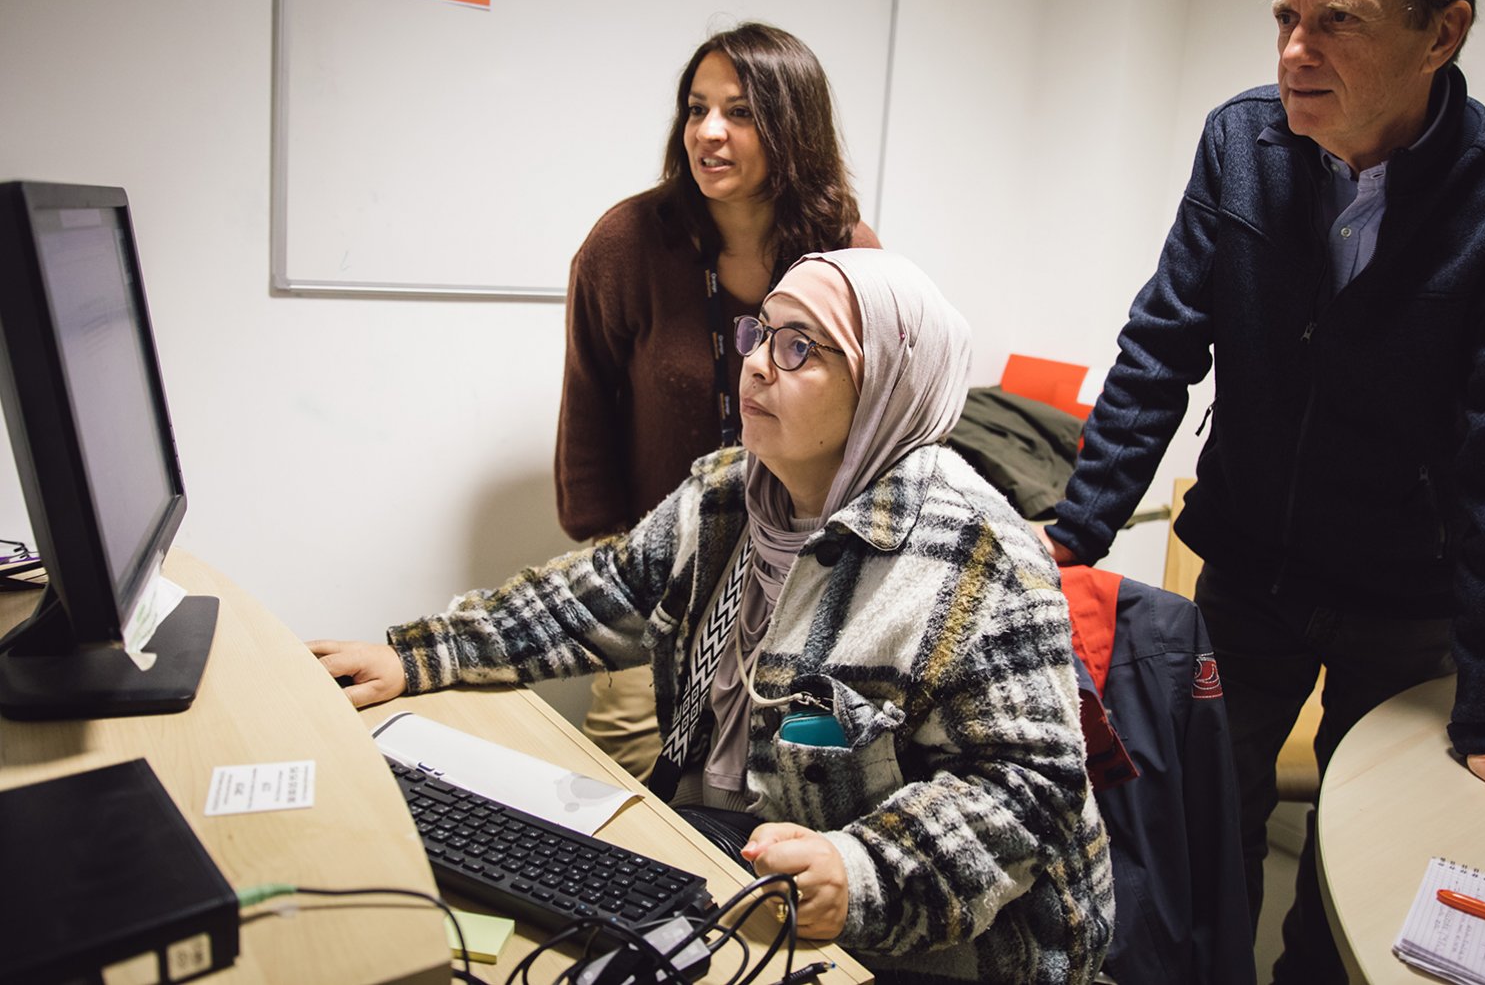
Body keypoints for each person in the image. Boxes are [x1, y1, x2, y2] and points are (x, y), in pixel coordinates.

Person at [313, 249, 1114, 984]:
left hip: (939, 946)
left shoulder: (978, 557)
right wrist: (420, 656)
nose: (757, 365)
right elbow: (601, 592)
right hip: (739, 862)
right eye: (760, 333)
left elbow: (1026, 788)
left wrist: (862, 871)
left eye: (799, 346)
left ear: (883, 385)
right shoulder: (730, 490)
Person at [1039, 0, 1485, 982]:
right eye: (1284, 19)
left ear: (1442, 31)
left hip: (1404, 598)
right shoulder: (1240, 141)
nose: (1297, 50)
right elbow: (1159, 348)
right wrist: (1076, 533)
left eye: (1335, 19)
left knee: (1348, 873)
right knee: (1199, 835)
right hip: (1247, 572)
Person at [555, 22, 879, 781]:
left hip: (802, 573)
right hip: (658, 570)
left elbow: (875, 419)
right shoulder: (627, 242)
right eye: (695, 109)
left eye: (738, 112)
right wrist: (611, 553)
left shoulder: (847, 252)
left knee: (769, 780)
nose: (708, 132)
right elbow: (587, 406)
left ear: (791, 126)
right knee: (628, 767)